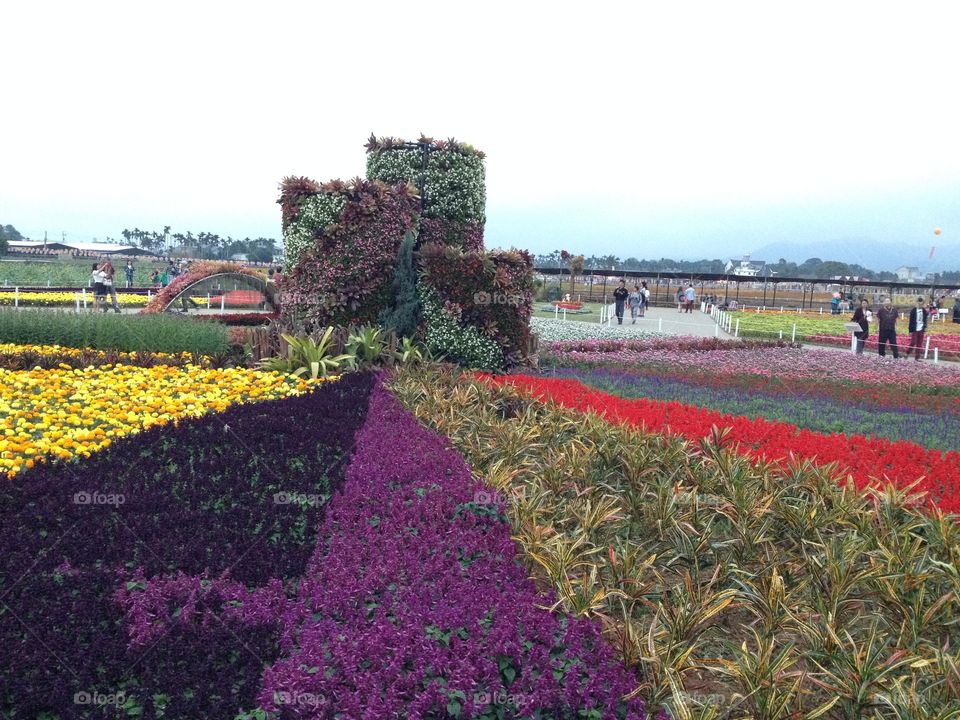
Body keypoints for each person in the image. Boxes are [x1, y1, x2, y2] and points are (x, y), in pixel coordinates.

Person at [908, 296, 928, 361]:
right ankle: (908, 352)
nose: (920, 303)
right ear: (917, 302)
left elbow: (925, 319)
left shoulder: (924, 311)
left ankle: (917, 358)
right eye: (919, 302)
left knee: (919, 344)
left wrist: (925, 327)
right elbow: (910, 321)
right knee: (913, 342)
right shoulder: (913, 311)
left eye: (921, 302)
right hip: (915, 329)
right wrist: (910, 330)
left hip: (921, 329)